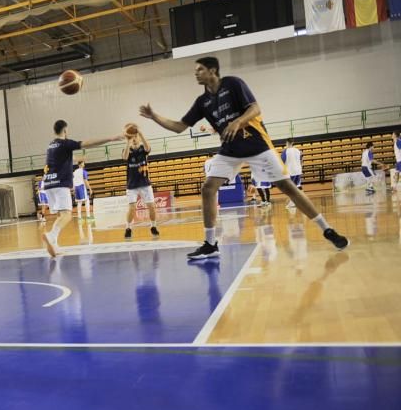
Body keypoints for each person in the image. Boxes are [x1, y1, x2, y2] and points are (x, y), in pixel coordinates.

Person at [139, 56, 349, 259]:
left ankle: (327, 229)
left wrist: (237, 122)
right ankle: (210, 244)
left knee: (287, 187)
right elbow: (179, 127)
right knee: (208, 188)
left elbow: (255, 108)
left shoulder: (233, 84)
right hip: (230, 149)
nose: (196, 74)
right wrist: (154, 116)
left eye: (199, 70)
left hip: (256, 144)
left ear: (212, 71)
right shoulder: (202, 101)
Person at [40, 120, 120, 257]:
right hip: (59, 184)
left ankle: (55, 245)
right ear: (65, 130)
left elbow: (62, 158)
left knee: (60, 215)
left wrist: (76, 158)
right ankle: (51, 236)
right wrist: (110, 138)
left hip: (48, 184)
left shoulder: (50, 146)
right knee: (67, 215)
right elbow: (88, 143)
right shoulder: (65, 143)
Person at [122, 130, 160, 239]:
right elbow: (125, 158)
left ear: (138, 137)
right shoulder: (127, 150)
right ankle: (128, 228)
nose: (134, 139)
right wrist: (127, 142)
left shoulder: (143, 149)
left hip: (144, 183)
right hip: (132, 185)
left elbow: (148, 148)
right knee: (132, 208)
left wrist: (141, 134)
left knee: (152, 207)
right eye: (132, 137)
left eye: (135, 137)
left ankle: (153, 226)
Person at [281, 140, 303, 208]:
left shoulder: (285, 151)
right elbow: (301, 160)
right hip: (298, 171)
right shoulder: (298, 150)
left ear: (287, 143)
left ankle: (292, 202)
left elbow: (282, 162)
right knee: (296, 187)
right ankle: (298, 201)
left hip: (291, 171)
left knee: (291, 188)